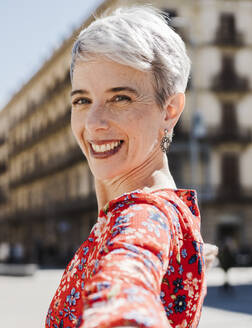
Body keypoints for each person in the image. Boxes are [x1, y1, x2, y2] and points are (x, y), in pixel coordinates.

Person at [45, 6, 215, 328]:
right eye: (81, 100)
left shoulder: (143, 215)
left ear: (170, 109)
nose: (93, 123)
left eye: (120, 98)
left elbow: (127, 278)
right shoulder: (169, 215)